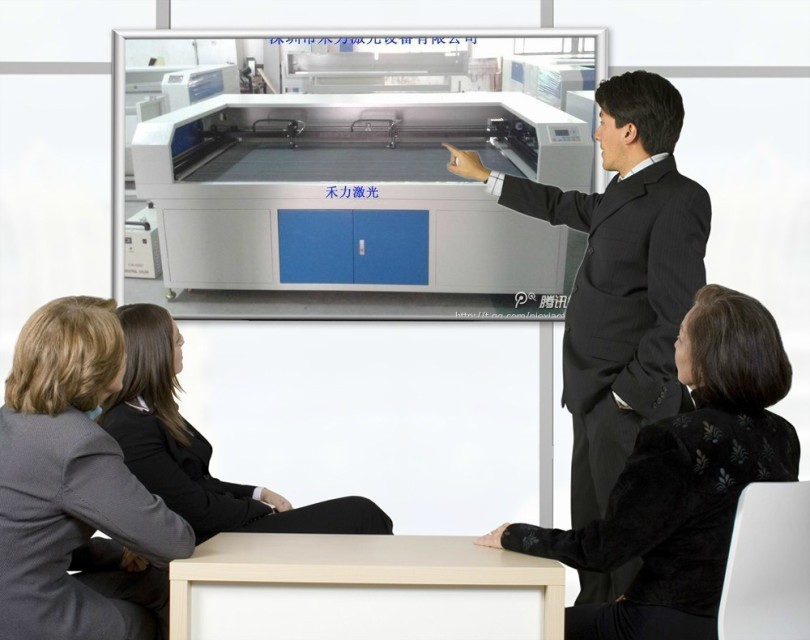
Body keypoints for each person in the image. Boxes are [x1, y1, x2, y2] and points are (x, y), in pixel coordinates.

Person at [444, 70, 712, 603]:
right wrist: (485, 177)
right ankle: (590, 618)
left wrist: (626, 396)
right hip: (592, 395)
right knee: (593, 531)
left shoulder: (678, 199)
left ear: (630, 130)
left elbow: (679, 314)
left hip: (625, 406)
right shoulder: (625, 189)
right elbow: (567, 206)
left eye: (604, 121)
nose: (596, 132)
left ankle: (625, 624)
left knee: (629, 543)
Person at [475, 285, 800, 640]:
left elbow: (602, 550)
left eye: (682, 337)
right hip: (747, 625)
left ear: (709, 355)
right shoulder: (783, 436)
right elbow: (710, 538)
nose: (675, 344)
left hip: (663, 625)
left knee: (521, 626)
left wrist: (515, 535)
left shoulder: (673, 438)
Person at [100, 303, 393, 543]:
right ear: (153, 352)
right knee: (361, 513)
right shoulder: (129, 427)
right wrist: (259, 509)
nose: (183, 343)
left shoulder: (150, 410)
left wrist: (257, 492)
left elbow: (197, 483)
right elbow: (194, 508)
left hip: (222, 529)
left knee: (362, 515)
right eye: (176, 340)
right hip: (209, 542)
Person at [0, 296, 195, 640]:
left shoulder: (10, 419)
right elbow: (174, 542)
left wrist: (117, 554)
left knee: (148, 582)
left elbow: (25, 538)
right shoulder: (79, 444)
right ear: (99, 365)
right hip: (29, 618)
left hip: (14, 599)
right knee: (159, 604)